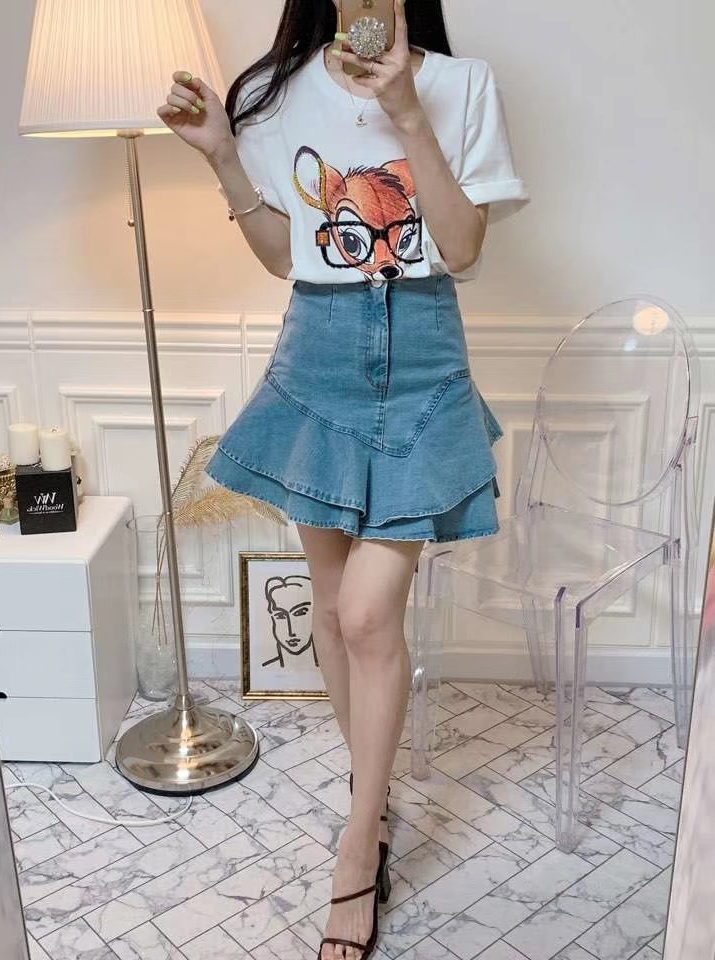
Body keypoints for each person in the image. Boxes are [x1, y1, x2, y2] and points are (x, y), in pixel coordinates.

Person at [157, 1, 529, 956]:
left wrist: (406, 112)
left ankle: (358, 848)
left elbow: (464, 248)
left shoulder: (461, 85)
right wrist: (222, 156)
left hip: (421, 355)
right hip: (317, 353)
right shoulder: (271, 91)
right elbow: (286, 253)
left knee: (367, 615)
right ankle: (376, 798)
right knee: (331, 609)